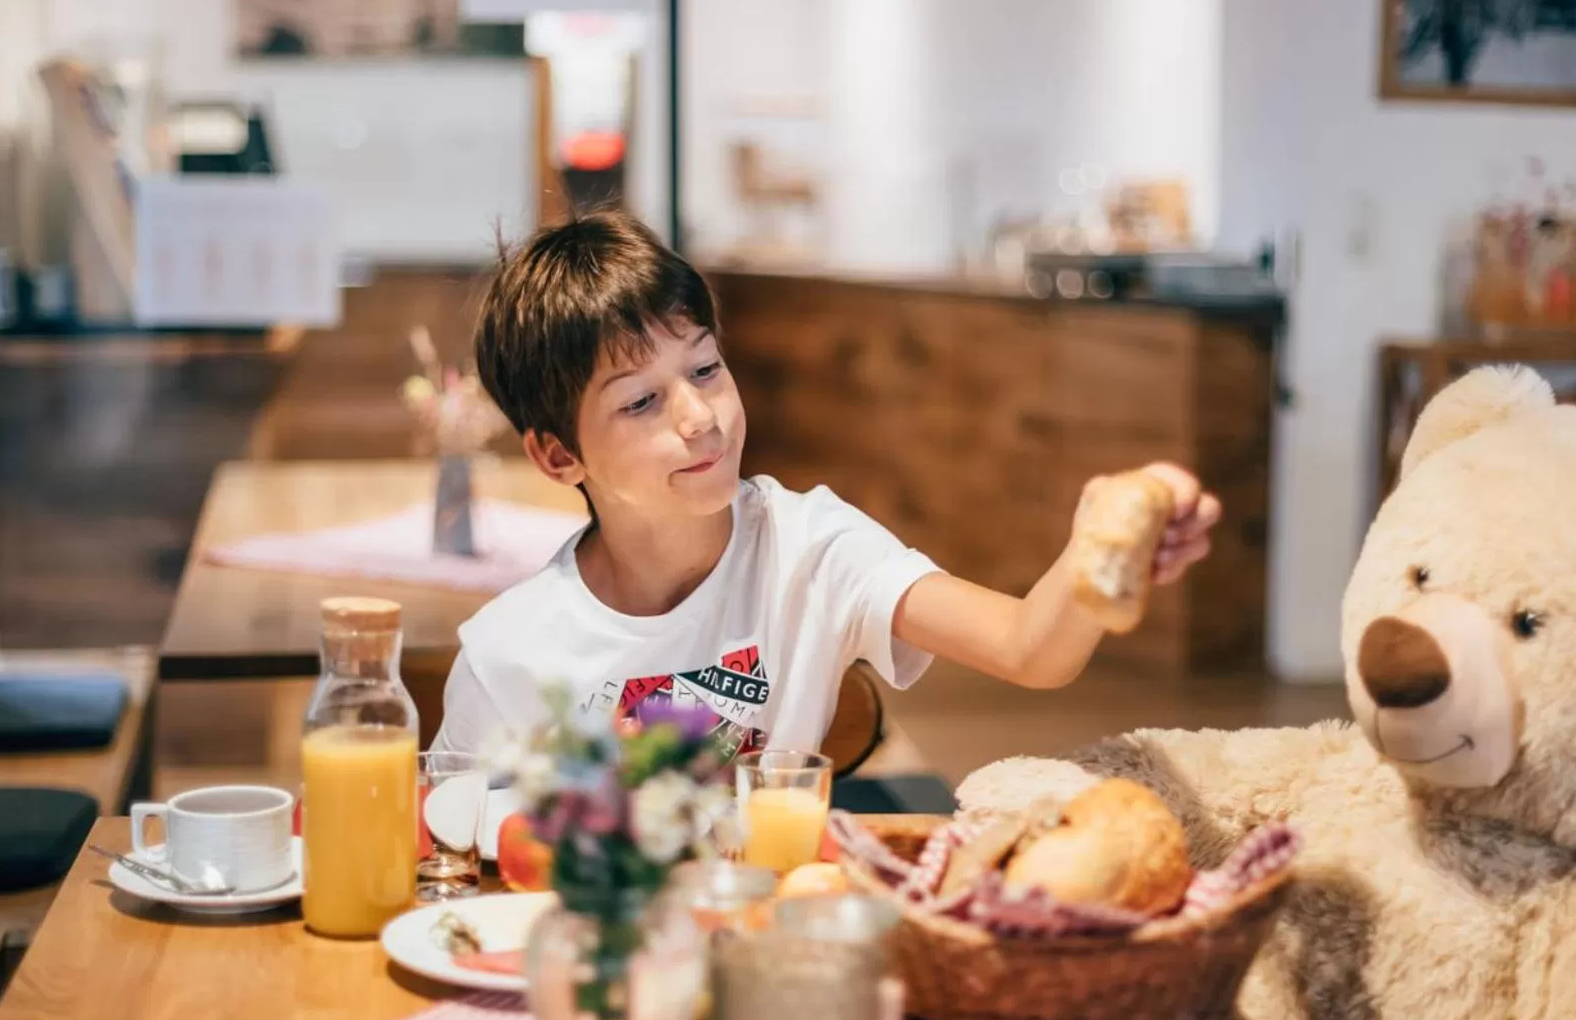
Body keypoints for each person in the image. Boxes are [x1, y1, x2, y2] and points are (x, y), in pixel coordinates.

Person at [432, 212, 1219, 757]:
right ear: (557, 456)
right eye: (641, 401)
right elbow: (458, 867)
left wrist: (1096, 554)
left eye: (705, 368)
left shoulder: (809, 548)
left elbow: (1028, 649)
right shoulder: (509, 658)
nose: (700, 417)